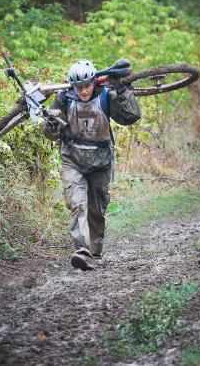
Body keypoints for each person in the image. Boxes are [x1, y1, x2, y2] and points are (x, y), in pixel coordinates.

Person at [39, 60, 141, 270]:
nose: (83, 91)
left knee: (96, 209)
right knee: (77, 203)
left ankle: (94, 252)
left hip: (100, 161)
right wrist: (50, 122)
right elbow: (50, 134)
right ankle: (82, 251)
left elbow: (131, 117)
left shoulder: (106, 96)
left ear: (95, 82)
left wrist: (121, 88)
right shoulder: (63, 98)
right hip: (72, 159)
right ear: (71, 86)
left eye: (87, 86)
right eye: (79, 87)